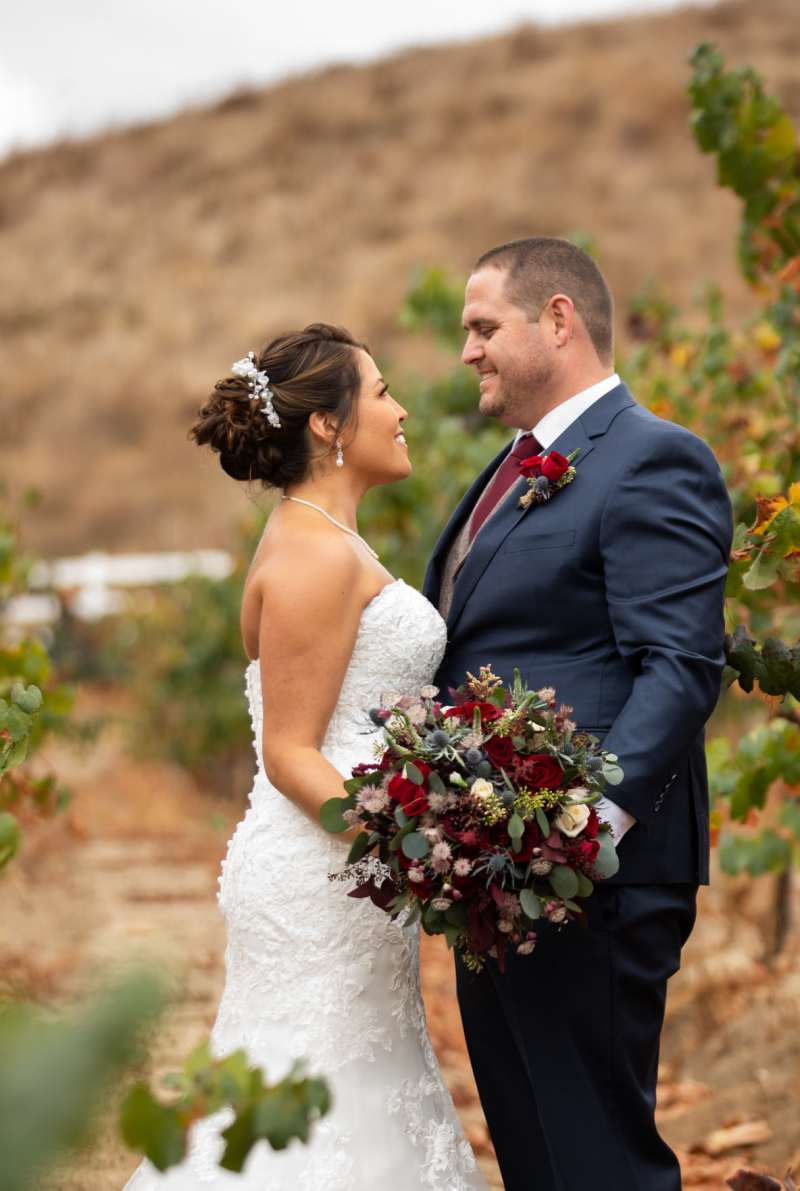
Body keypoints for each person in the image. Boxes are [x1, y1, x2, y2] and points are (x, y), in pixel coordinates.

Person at [122, 324, 485, 1191]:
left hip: (340, 870)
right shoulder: (315, 553)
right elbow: (289, 752)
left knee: (341, 1103)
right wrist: (404, 845)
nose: (400, 411)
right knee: (316, 1115)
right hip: (326, 872)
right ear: (328, 424)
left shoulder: (325, 537)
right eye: (384, 390)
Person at [423, 238, 733, 1191]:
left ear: (557, 319)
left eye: (484, 327)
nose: (467, 350)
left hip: (592, 874)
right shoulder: (509, 469)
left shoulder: (652, 458)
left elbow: (679, 665)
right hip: (502, 876)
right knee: (538, 1156)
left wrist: (583, 829)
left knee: (597, 1160)